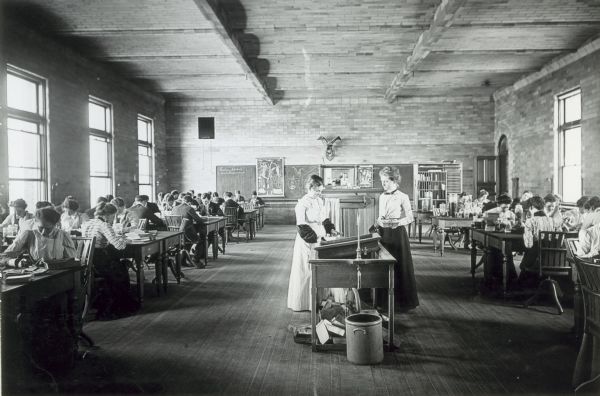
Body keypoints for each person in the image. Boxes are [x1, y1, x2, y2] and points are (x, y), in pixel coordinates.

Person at [287, 175, 337, 311]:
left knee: (319, 270)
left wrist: (330, 228)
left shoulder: (319, 201)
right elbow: (301, 226)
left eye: (321, 191)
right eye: (317, 191)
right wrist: (315, 239)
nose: (319, 194)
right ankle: (306, 304)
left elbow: (324, 218)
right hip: (307, 242)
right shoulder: (302, 203)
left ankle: (318, 300)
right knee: (307, 271)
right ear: (310, 188)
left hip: (319, 240)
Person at [372, 167, 419, 311]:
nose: (384, 184)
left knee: (400, 266)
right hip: (384, 233)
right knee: (383, 265)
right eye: (382, 181)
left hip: (397, 233)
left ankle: (402, 303)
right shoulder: (382, 196)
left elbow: (410, 217)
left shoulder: (402, 196)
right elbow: (381, 216)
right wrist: (379, 221)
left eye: (386, 181)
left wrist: (397, 222)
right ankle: (383, 303)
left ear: (394, 180)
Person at [81, 202, 138, 318]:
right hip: (100, 261)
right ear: (108, 215)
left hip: (88, 262)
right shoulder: (104, 225)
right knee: (122, 268)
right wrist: (125, 241)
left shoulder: (88, 223)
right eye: (113, 216)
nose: (113, 219)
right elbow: (119, 246)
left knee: (118, 265)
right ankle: (120, 305)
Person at [2, 207, 76, 261]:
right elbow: (7, 255)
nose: (43, 232)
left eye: (48, 229)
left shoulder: (63, 235)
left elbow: (71, 259)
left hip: (59, 274)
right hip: (36, 274)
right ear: (36, 222)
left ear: (55, 225)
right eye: (40, 228)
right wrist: (14, 262)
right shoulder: (29, 234)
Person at [518, 196, 561, 287]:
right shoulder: (552, 221)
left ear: (531, 208)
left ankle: (524, 288)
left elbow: (528, 244)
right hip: (551, 258)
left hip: (535, 260)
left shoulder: (530, 221)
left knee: (527, 258)